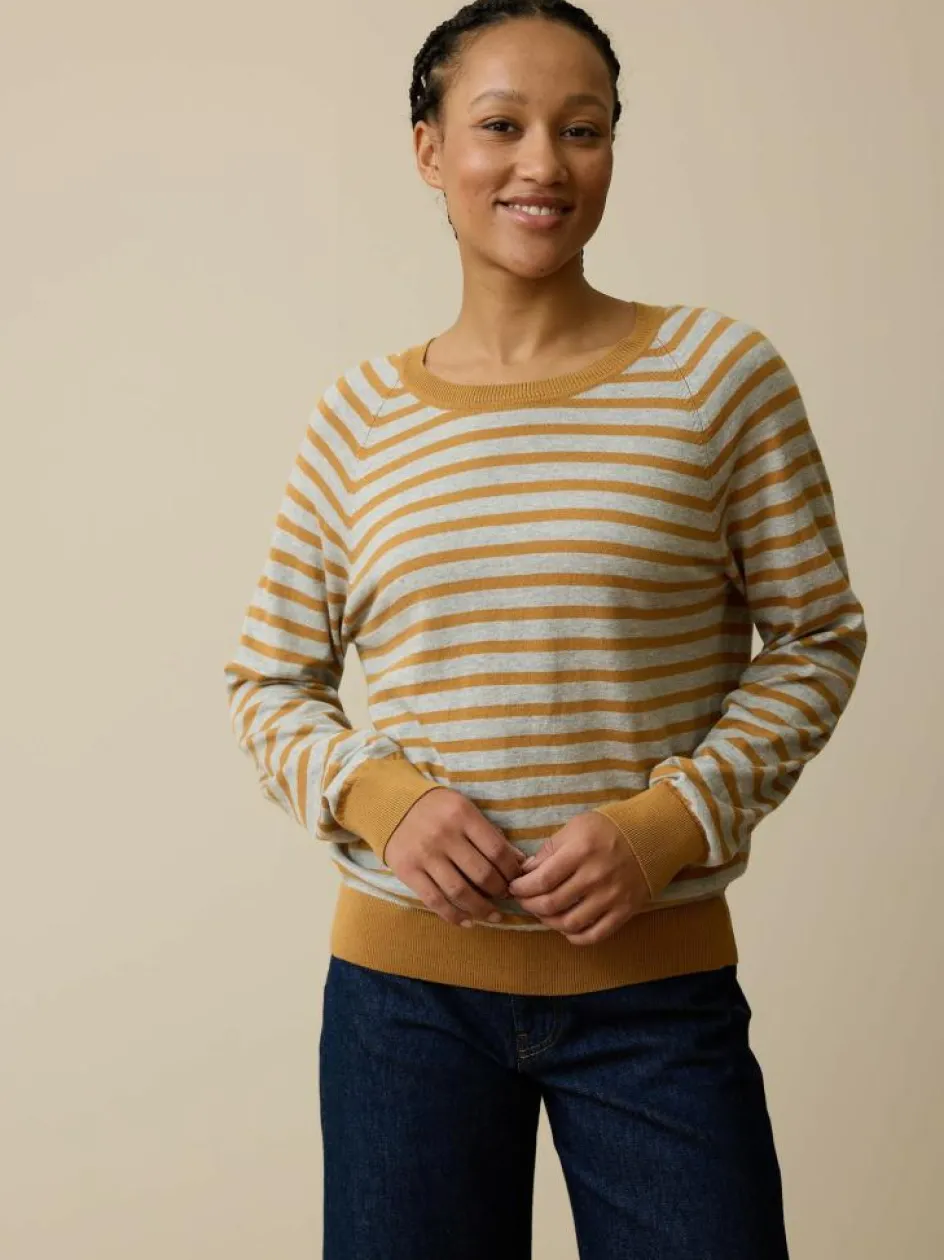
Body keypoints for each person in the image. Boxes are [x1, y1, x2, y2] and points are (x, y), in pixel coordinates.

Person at [222, 2, 868, 1256]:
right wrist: (383, 800)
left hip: (653, 994)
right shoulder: (357, 417)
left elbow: (814, 640)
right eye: (500, 126)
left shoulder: (716, 379)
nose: (543, 165)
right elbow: (268, 680)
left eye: (581, 129)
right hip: (403, 1006)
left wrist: (667, 824)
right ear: (429, 150)